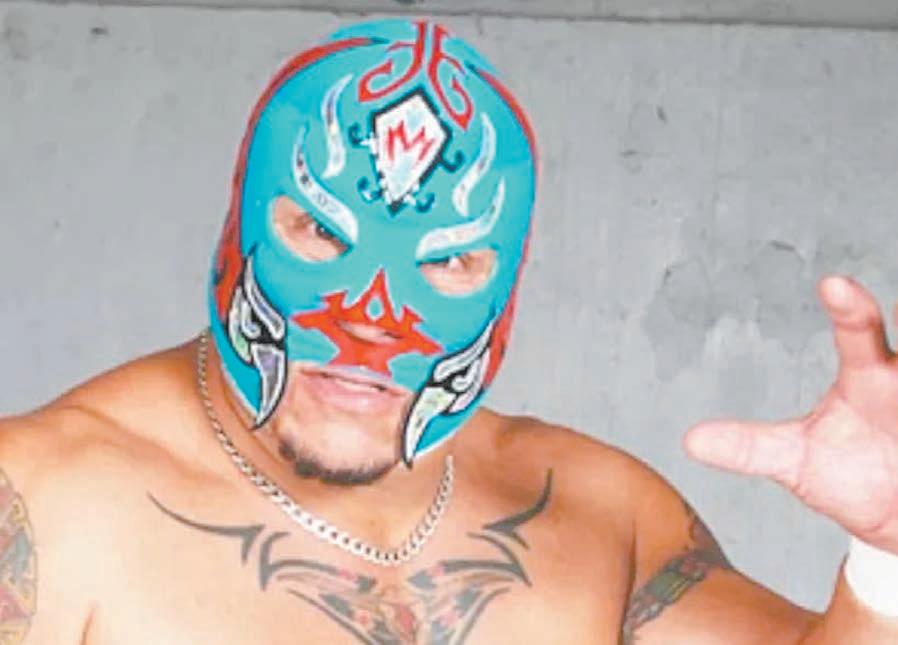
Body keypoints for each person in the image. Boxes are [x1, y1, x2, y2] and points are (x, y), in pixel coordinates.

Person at [2, 18, 897, 644]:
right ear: (240, 222)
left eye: (447, 263)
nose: (370, 320)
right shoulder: (48, 499)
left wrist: (887, 551)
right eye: (321, 233)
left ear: (505, 282)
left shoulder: (602, 515)